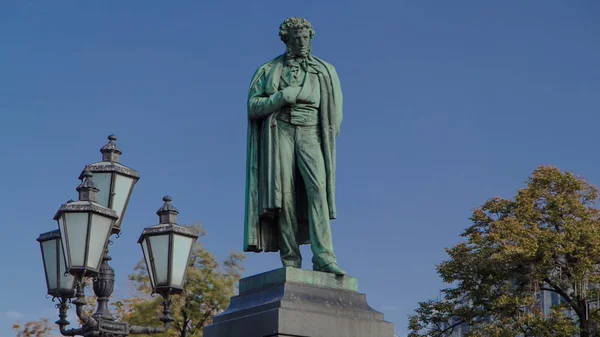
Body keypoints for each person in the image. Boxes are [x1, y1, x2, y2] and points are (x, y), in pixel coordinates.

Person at [243, 17, 345, 275]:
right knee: (284, 194)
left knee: (317, 190)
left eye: (306, 37)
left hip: (312, 131)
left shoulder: (325, 70)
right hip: (281, 130)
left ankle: (323, 256)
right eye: (296, 38)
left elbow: (335, 115)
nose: (302, 42)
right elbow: (253, 107)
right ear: (286, 40)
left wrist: (325, 138)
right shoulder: (268, 70)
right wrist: (279, 98)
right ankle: (290, 258)